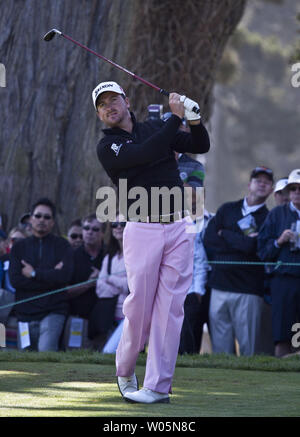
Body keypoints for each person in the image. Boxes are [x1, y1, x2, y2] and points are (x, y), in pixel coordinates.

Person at [93, 80, 210, 403]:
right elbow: (147, 153)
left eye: (113, 99)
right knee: (139, 307)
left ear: (127, 101)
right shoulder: (109, 146)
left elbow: (201, 145)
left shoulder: (157, 127)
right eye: (102, 105)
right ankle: (126, 368)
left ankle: (157, 386)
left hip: (178, 226)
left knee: (170, 310)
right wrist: (176, 117)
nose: (109, 107)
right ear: (100, 115)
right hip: (142, 228)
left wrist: (195, 118)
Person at [203, 167, 274, 356]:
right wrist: (241, 241)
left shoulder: (269, 218)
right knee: (221, 351)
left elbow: (252, 248)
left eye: (266, 182)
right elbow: (210, 239)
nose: (262, 183)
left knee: (248, 349)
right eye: (257, 180)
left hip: (248, 290)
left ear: (271, 190)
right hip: (219, 286)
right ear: (249, 184)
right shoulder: (227, 209)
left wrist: (225, 234)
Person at [9, 198, 74, 351]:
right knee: (25, 361)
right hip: (24, 313)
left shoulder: (63, 246)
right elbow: (16, 280)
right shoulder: (18, 248)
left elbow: (64, 277)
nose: (42, 220)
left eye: (47, 217)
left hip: (53, 311)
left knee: (46, 353)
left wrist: (33, 273)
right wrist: (51, 275)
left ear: (52, 222)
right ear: (31, 219)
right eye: (38, 216)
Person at [258, 169, 300, 357]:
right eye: (293, 189)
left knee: (297, 335)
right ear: (288, 192)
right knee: (283, 334)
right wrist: (279, 241)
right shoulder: (276, 215)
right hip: (283, 281)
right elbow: (263, 251)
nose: (297, 193)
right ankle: (282, 374)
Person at [66, 214, 106, 347]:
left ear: (103, 234)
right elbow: (64, 292)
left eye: (95, 229)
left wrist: (104, 278)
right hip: (77, 318)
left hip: (104, 322)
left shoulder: (111, 255)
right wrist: (88, 284)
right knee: (73, 360)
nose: (90, 232)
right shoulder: (71, 256)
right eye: (86, 228)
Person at [94, 215, 128, 353]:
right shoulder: (109, 257)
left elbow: (132, 286)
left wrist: (111, 279)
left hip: (130, 316)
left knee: (110, 352)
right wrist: (120, 287)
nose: (118, 227)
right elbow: (99, 288)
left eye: (122, 223)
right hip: (109, 316)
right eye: (114, 224)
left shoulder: (137, 255)